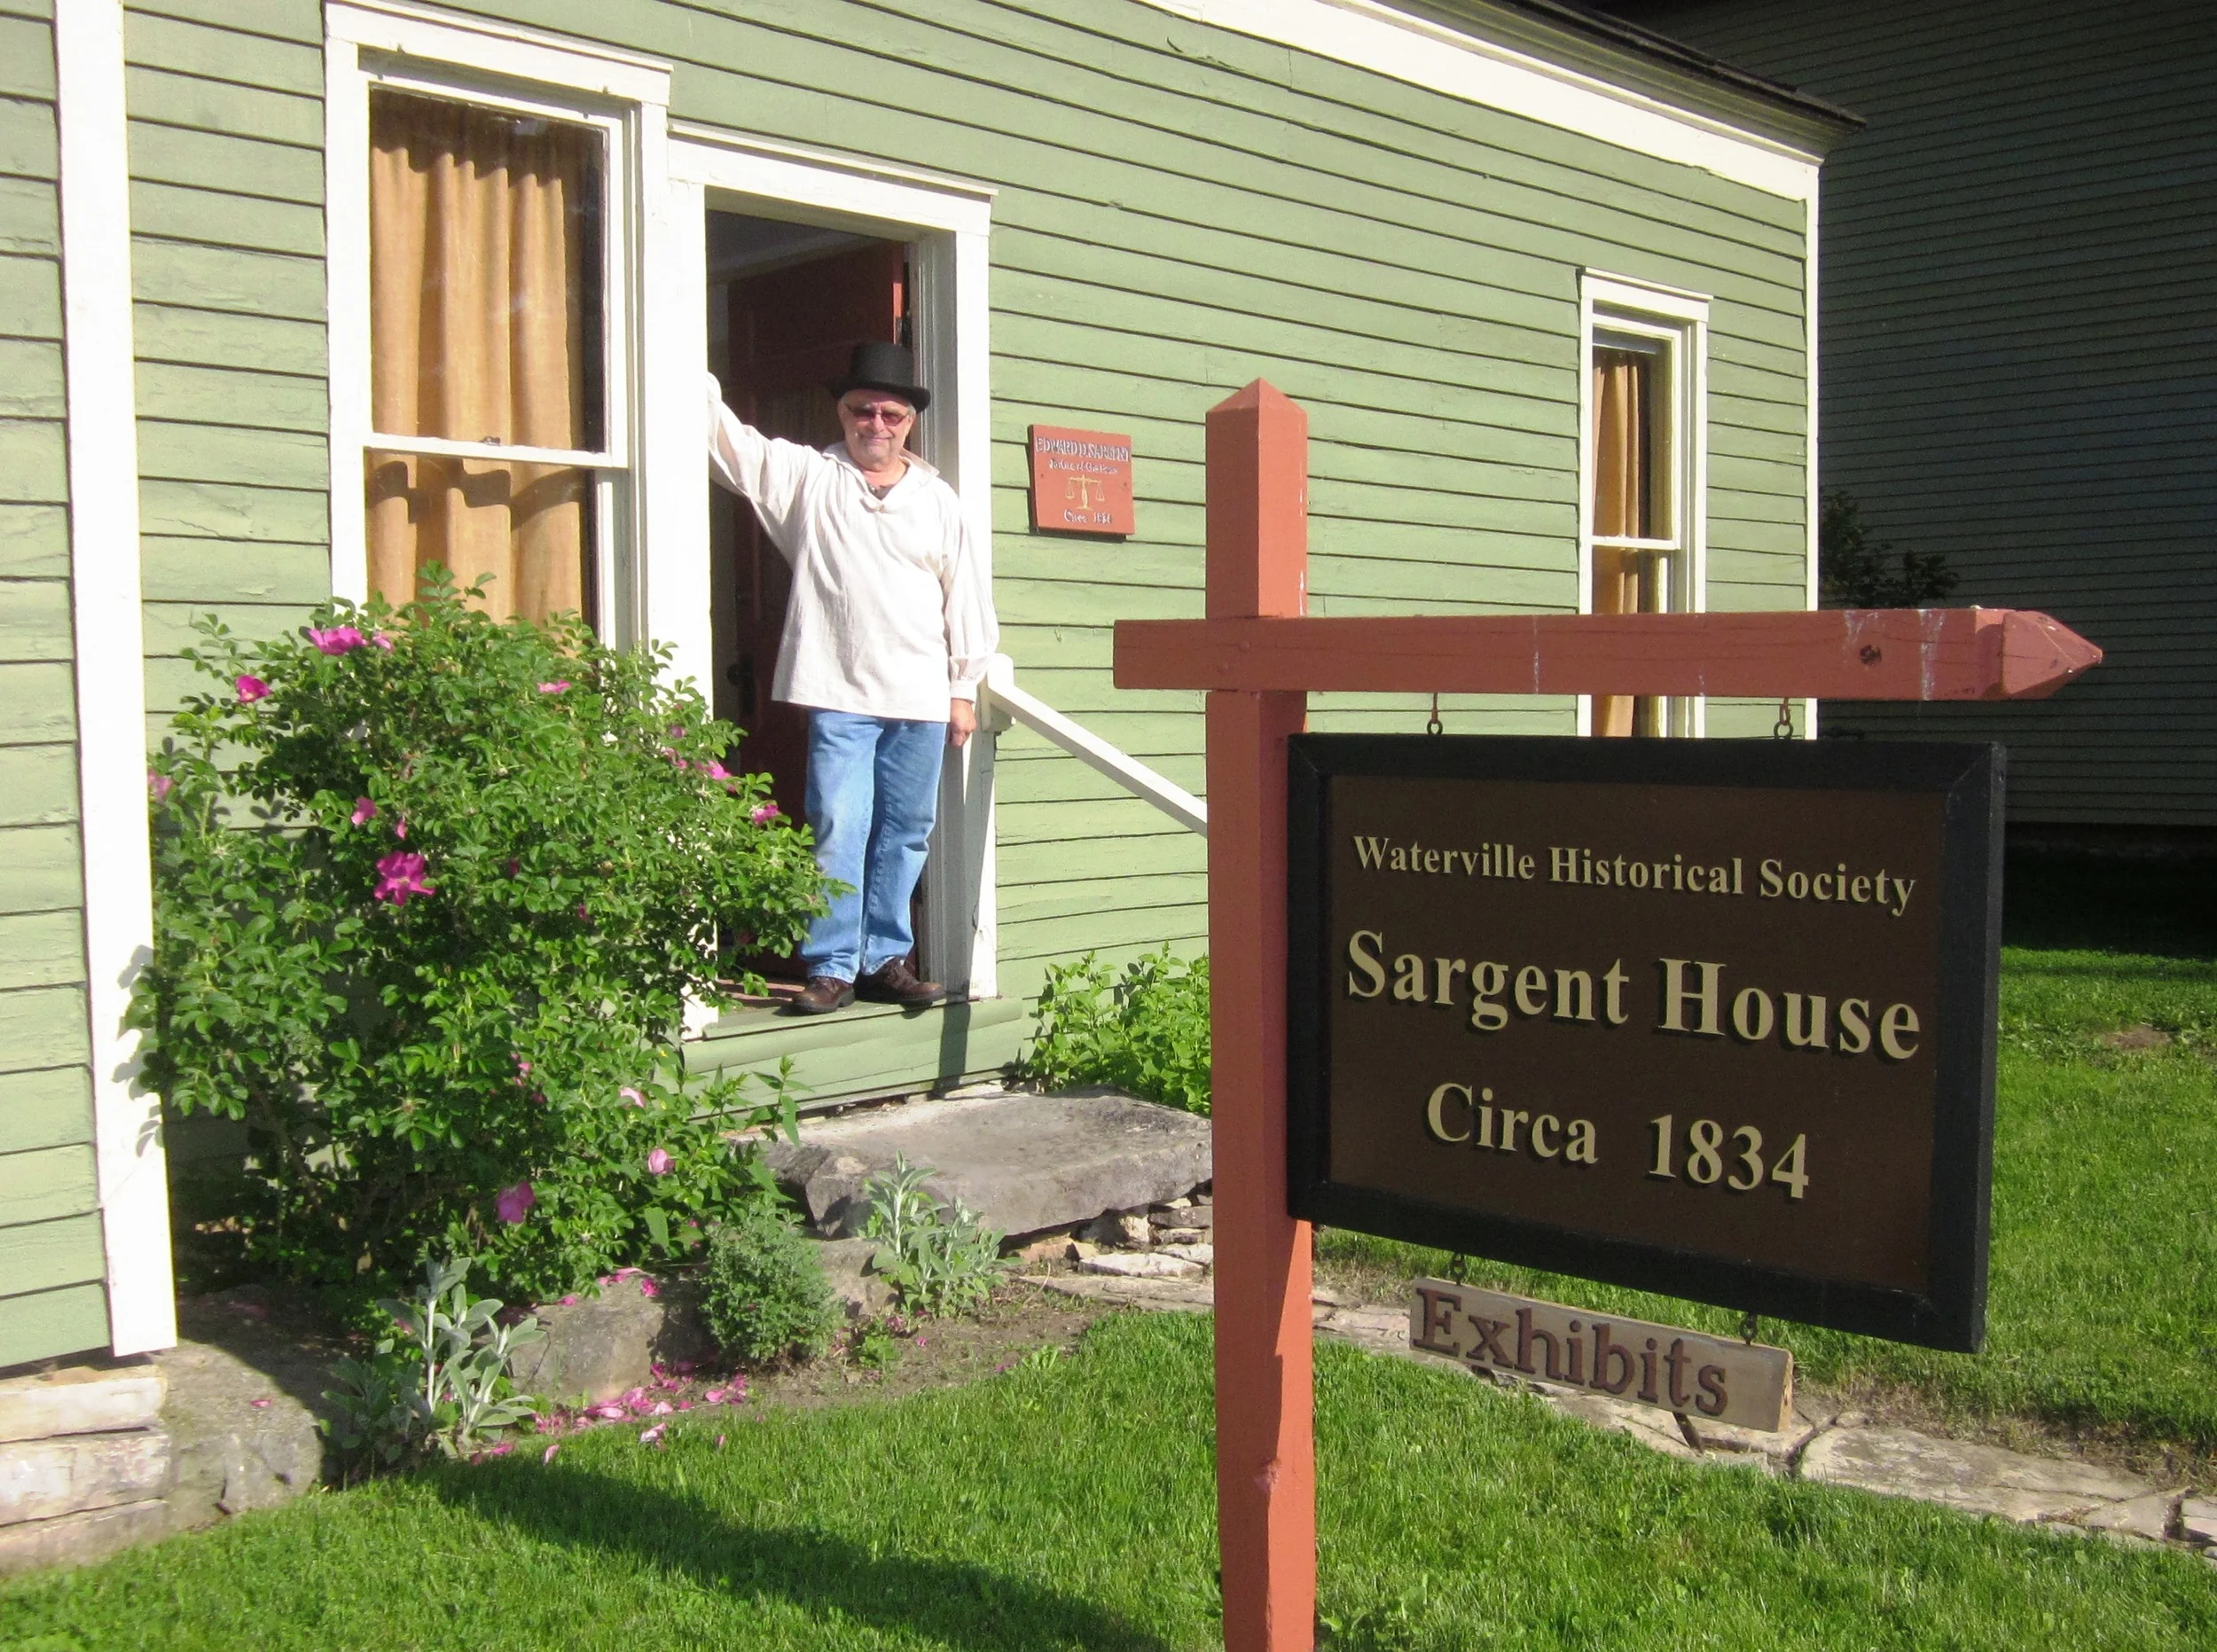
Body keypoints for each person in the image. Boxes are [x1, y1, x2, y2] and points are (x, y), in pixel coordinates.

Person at [707, 341, 998, 1014]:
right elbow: (730, 445)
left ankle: (884, 959)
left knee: (906, 829)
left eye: (891, 414)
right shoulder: (809, 478)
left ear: (909, 422)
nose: (876, 424)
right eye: (863, 410)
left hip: (921, 696)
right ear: (842, 413)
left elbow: (965, 596)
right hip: (838, 690)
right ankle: (833, 963)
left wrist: (962, 688)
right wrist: (680, 356)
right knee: (839, 823)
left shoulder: (936, 499)